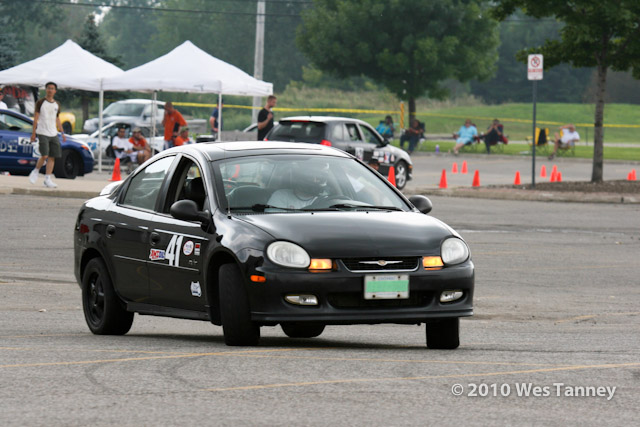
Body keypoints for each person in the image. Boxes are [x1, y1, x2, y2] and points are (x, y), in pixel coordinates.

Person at [28, 82, 66, 188]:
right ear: (46, 89)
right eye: (48, 88)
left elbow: (57, 119)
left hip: (53, 133)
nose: (50, 90)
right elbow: (36, 119)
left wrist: (62, 133)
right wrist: (33, 133)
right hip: (42, 132)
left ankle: (47, 179)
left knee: (52, 156)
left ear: (55, 91)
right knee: (44, 155)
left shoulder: (57, 104)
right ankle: (36, 171)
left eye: (52, 88)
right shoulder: (40, 102)